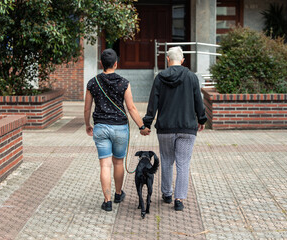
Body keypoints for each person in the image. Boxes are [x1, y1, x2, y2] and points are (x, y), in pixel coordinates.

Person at [141, 46, 207, 211]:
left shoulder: (160, 78)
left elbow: (153, 103)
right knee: (183, 163)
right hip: (187, 128)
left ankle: (167, 194)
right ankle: (179, 200)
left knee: (167, 160)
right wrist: (202, 119)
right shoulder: (192, 77)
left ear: (168, 60)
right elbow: (198, 101)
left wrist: (147, 123)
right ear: (182, 60)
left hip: (166, 128)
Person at [84, 48, 148, 212]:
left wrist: (87, 124)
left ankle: (107, 201)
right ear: (116, 64)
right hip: (120, 127)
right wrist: (142, 126)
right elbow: (132, 108)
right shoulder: (124, 82)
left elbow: (87, 108)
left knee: (105, 165)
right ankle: (118, 194)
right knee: (118, 162)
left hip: (101, 127)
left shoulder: (92, 82)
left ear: (101, 64)